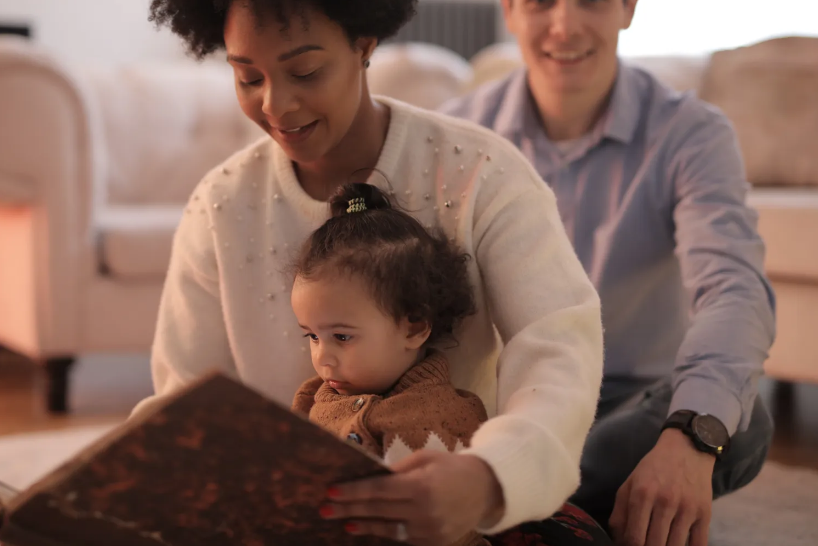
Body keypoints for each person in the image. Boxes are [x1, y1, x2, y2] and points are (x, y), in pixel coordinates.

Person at [134, 0, 607, 544]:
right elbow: (185, 404)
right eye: (247, 77)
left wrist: (488, 478)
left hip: (462, 507)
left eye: (305, 72)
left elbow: (558, 346)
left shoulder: (482, 172)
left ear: (364, 46)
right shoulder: (220, 203)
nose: (276, 104)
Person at [441, 1, 777, 546]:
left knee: (736, 420)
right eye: (541, 2)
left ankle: (500, 507)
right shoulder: (458, 134)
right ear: (508, 9)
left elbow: (733, 290)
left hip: (626, 410)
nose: (565, 25)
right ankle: (546, 513)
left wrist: (688, 439)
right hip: (502, 405)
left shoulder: (692, 133)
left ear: (628, 8)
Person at [290, 182, 489, 546]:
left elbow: (464, 522)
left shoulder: (452, 414)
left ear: (413, 328)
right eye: (312, 337)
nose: (322, 357)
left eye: (342, 337)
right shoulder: (310, 401)